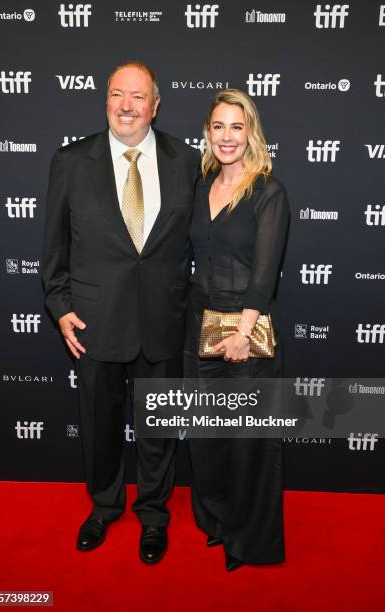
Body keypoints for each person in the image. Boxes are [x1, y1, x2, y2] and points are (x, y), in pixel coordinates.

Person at [42, 61, 200, 563]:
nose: (126, 106)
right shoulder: (70, 160)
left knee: (157, 430)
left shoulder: (186, 159)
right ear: (106, 100)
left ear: (156, 105)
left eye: (137, 97)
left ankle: (154, 515)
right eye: (117, 94)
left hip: (162, 319)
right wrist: (60, 307)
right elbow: (54, 248)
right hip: (94, 321)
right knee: (99, 426)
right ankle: (105, 506)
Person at [184, 89, 290, 571]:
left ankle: (251, 538)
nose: (227, 137)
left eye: (236, 127)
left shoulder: (268, 191)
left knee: (249, 441)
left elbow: (265, 274)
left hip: (246, 335)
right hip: (199, 328)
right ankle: (219, 522)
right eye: (218, 127)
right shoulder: (201, 182)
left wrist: (242, 334)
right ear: (207, 133)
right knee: (207, 437)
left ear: (251, 134)